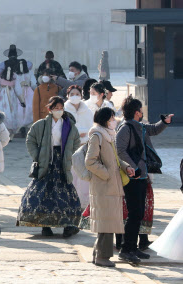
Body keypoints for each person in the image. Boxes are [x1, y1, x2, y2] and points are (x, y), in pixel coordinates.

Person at [115, 97, 172, 263]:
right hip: (133, 176)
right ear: (136, 112)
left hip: (141, 175)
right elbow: (120, 150)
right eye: (140, 110)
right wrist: (134, 168)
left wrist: (164, 122)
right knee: (134, 213)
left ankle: (133, 248)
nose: (142, 113)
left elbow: (153, 129)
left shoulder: (138, 126)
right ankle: (126, 249)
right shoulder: (125, 128)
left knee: (138, 213)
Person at [18, 97, 82, 237]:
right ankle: (45, 226)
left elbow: (76, 141)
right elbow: (30, 140)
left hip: (62, 162)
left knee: (65, 194)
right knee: (42, 193)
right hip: (46, 161)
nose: (59, 111)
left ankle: (68, 225)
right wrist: (38, 156)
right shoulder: (41, 125)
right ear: (50, 109)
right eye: (56, 108)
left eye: (61, 108)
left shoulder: (69, 124)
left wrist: (69, 153)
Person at [84, 107, 134, 267]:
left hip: (111, 185)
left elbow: (115, 159)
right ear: (105, 119)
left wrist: (126, 167)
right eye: (112, 117)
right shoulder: (97, 136)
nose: (114, 120)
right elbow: (90, 161)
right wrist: (106, 173)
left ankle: (97, 254)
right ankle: (102, 257)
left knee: (107, 221)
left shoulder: (108, 136)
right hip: (103, 186)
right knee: (106, 223)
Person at [64, 85, 94, 208]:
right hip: (70, 147)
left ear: (81, 96)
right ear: (67, 96)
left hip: (85, 147)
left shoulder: (88, 111)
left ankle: (84, 203)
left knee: (84, 176)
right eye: (72, 94)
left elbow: (92, 127)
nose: (74, 96)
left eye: (77, 94)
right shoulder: (64, 110)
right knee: (72, 175)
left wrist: (85, 134)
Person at [0, 51, 26, 137]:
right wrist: (22, 100)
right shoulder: (15, 76)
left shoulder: (0, 75)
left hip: (2, 94)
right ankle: (10, 135)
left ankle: (2, 132)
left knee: (2, 111)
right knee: (12, 112)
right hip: (11, 94)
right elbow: (18, 90)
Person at [14, 59, 37, 130]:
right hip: (28, 91)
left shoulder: (15, 74)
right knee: (29, 107)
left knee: (18, 108)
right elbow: (33, 83)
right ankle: (28, 124)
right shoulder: (30, 72)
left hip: (18, 91)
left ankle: (19, 125)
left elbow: (14, 84)